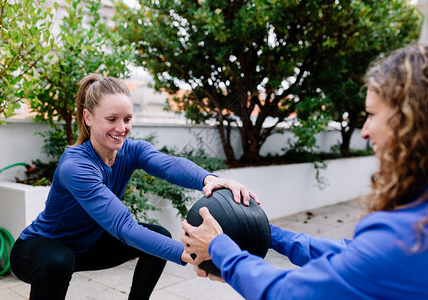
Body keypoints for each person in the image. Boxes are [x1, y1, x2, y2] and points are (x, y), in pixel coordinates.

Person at [182, 43, 428, 299]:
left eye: (371, 114)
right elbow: (350, 255)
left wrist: (219, 248)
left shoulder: (405, 233)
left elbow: (288, 293)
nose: (365, 131)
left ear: (410, 120)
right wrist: (264, 231)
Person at [10, 73, 258, 300]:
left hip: (88, 247)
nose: (121, 128)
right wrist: (193, 254)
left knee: (157, 238)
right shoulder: (76, 166)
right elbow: (123, 227)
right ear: (88, 117)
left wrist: (210, 180)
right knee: (58, 260)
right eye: (112, 119)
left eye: (127, 119)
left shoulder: (131, 150)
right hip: (37, 251)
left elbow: (170, 165)